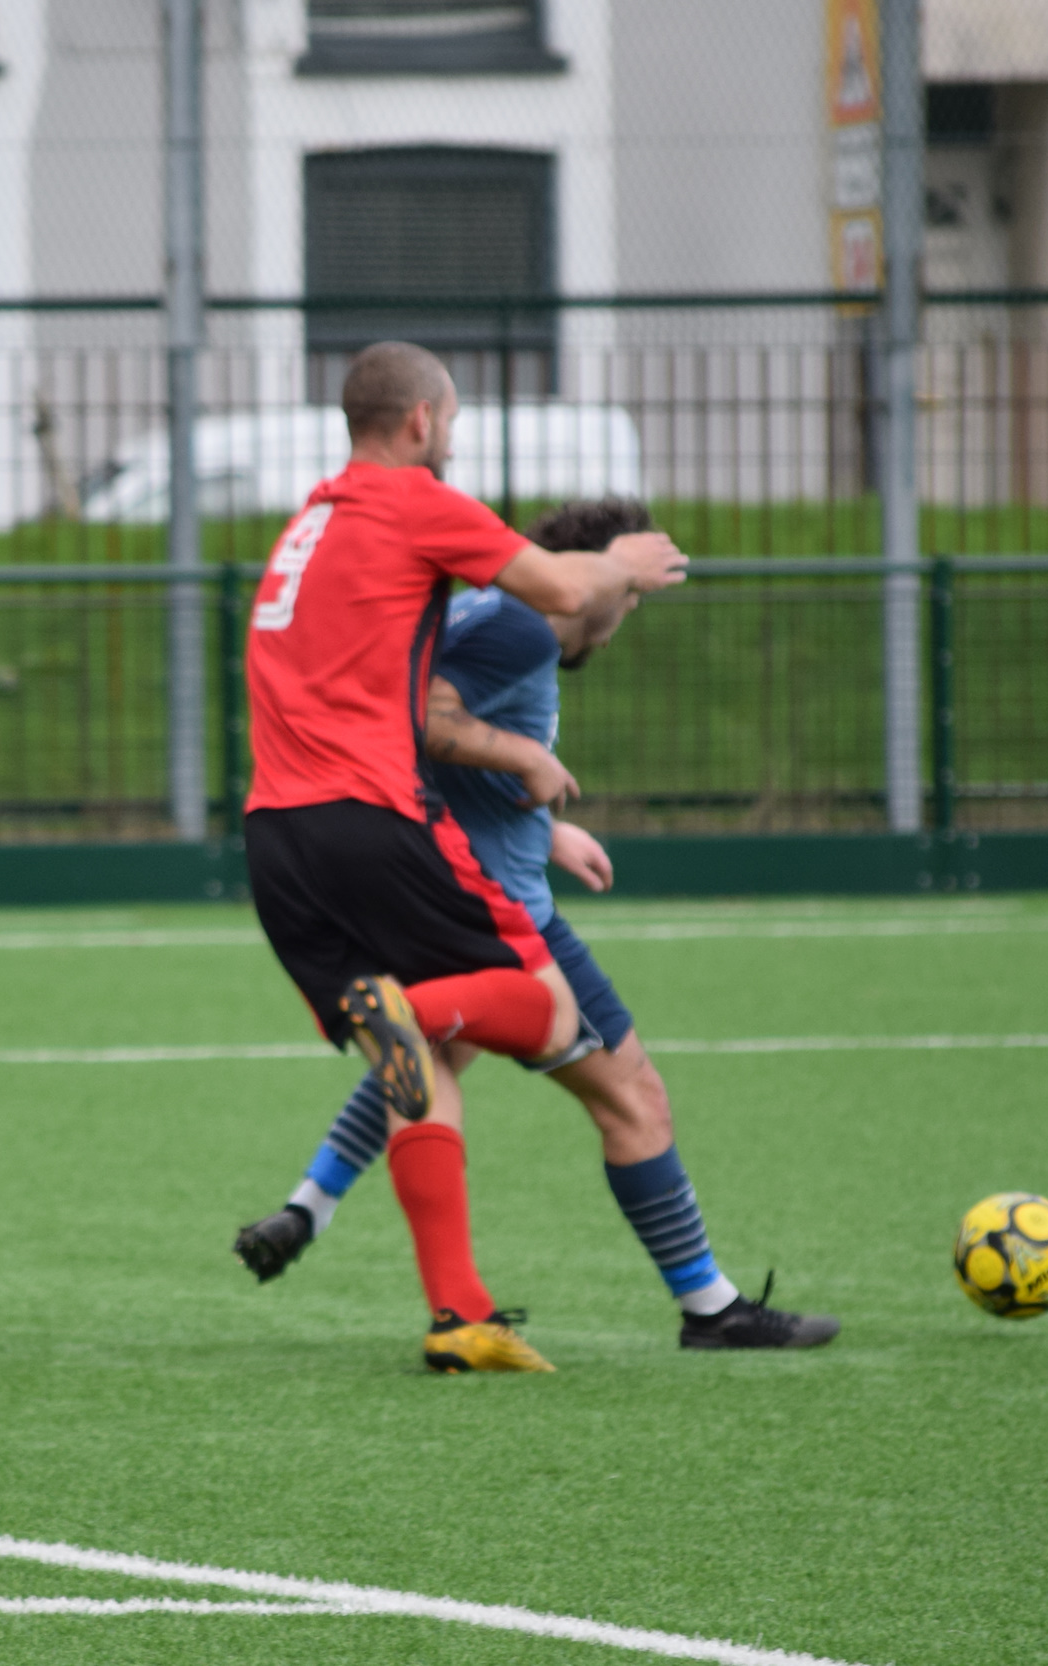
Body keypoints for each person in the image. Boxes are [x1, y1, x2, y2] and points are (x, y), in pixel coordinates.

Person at [235, 499, 841, 1370]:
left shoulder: (475, 610)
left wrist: (542, 829)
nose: (622, 615)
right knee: (630, 1094)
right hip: (490, 907)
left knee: (426, 1057)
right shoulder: (521, 629)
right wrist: (527, 764)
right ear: (587, 579)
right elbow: (433, 723)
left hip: (428, 875)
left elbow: (417, 733)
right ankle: (709, 1306)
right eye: (625, 593)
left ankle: (313, 1208)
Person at [238, 344, 690, 1369]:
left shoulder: (307, 522)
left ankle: (459, 1317)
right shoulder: (411, 500)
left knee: (415, 1071)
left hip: (277, 831)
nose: (453, 437)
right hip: (371, 814)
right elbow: (556, 591)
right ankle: (415, 1005)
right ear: (422, 421)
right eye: (451, 420)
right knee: (541, 1009)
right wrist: (623, 562)